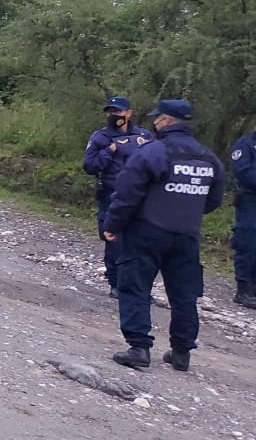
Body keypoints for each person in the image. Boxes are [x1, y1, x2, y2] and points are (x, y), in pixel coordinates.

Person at [102, 100, 224, 372]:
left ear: (167, 121)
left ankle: (139, 347)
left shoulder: (153, 152)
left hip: (147, 231)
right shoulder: (209, 158)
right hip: (186, 235)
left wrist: (113, 224)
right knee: (184, 295)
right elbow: (213, 199)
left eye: (158, 119)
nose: (155, 122)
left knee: (134, 286)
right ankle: (181, 353)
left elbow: (127, 194)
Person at [82, 96, 154, 299]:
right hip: (112, 195)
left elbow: (158, 160)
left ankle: (141, 287)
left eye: (118, 112)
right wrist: (108, 152)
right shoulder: (101, 137)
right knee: (114, 241)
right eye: (111, 112)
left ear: (128, 113)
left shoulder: (144, 136)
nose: (114, 116)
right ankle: (116, 283)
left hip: (142, 196)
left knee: (143, 242)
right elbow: (89, 166)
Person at [233, 125, 256, 308]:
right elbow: (244, 172)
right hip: (250, 201)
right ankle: (243, 289)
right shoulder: (246, 145)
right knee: (248, 243)